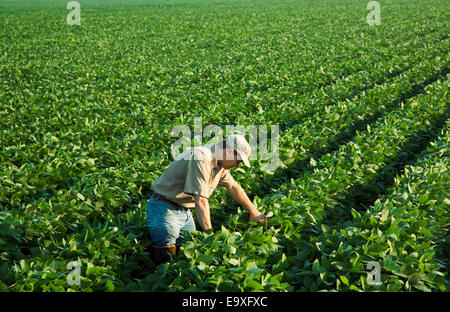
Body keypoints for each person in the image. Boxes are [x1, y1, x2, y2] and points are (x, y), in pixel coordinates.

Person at [146, 134, 268, 264]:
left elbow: (233, 187)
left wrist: (253, 212)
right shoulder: (202, 158)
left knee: (190, 253)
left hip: (184, 212)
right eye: (238, 161)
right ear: (229, 152)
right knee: (165, 257)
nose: (237, 166)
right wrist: (211, 237)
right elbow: (201, 201)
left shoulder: (219, 164)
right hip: (164, 209)